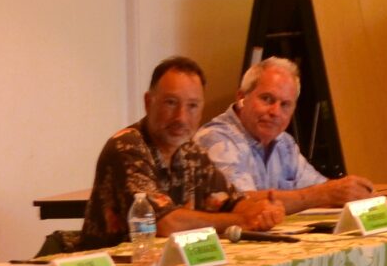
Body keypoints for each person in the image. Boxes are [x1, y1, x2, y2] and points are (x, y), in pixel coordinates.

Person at [81, 58, 285, 247]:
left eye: (192, 106)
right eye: (171, 103)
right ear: (148, 102)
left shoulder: (191, 152)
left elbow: (232, 202)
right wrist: (243, 220)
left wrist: (262, 212)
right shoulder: (127, 146)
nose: (181, 116)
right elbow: (163, 223)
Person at [196, 55, 374, 211]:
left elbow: (321, 189)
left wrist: (357, 196)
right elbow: (240, 202)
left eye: (285, 105)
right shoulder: (216, 138)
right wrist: (323, 195)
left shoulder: (283, 142)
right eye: (267, 99)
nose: (275, 112)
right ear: (242, 97)